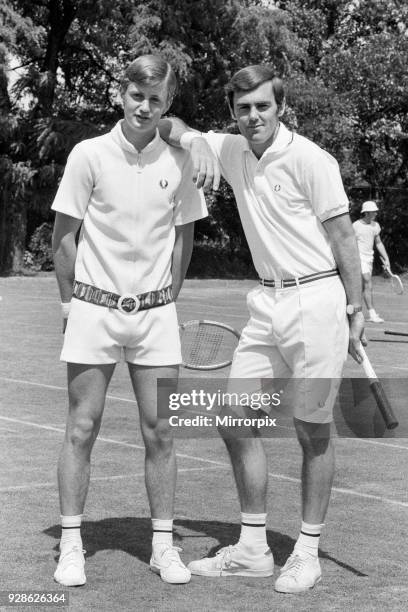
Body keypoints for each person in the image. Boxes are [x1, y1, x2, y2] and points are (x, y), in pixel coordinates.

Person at [159, 64, 365, 594]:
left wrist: (356, 306)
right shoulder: (228, 148)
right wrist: (195, 143)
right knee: (232, 416)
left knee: (311, 428)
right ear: (233, 110)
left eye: (263, 107)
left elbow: (342, 238)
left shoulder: (311, 159)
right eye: (243, 107)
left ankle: (307, 551)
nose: (253, 116)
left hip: (318, 300)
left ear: (280, 107)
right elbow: (167, 123)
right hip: (265, 304)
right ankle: (253, 549)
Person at [51, 55, 207, 587]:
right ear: (123, 93)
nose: (145, 107)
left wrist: (167, 299)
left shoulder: (182, 160)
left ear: (168, 104)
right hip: (94, 310)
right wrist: (71, 307)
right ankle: (71, 545)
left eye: (156, 100)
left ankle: (164, 547)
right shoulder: (88, 153)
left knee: (162, 431)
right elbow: (64, 238)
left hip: (156, 316)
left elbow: (184, 239)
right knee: (81, 428)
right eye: (137, 96)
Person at [353, 200, 390, 323]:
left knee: (365, 286)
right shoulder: (355, 226)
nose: (376, 213)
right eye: (373, 212)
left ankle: (358, 312)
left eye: (375, 211)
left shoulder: (375, 226)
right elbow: (349, 244)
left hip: (369, 258)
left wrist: (386, 258)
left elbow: (378, 243)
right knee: (368, 281)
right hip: (358, 257)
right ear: (366, 213)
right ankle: (372, 314)